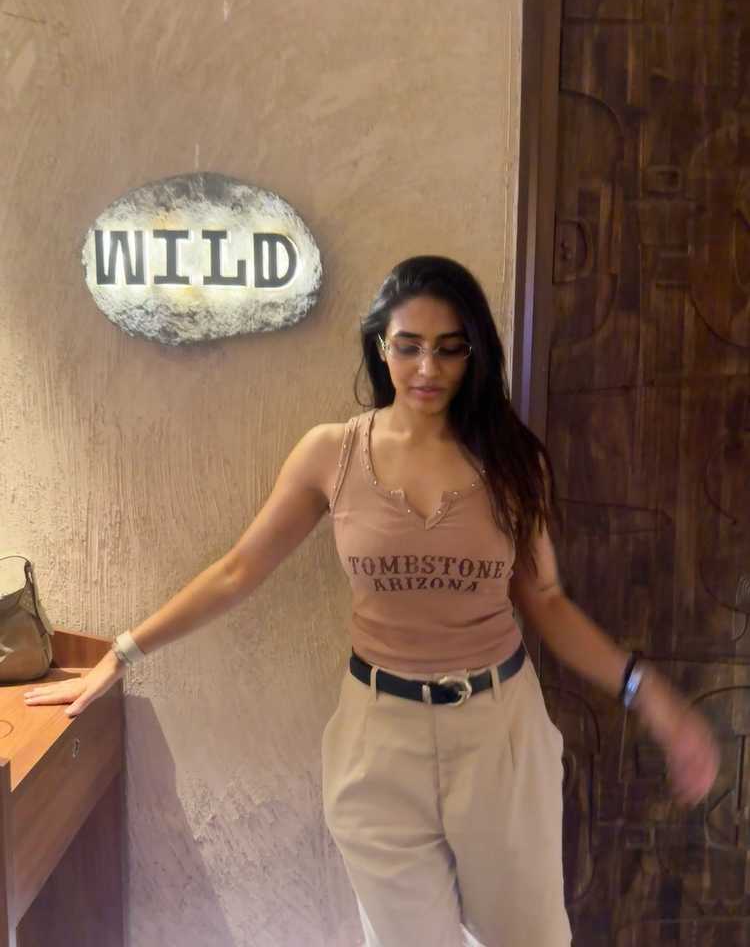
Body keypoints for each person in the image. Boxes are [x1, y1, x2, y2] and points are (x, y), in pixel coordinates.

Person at [24, 256, 719, 947]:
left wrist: (648, 692)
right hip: (379, 740)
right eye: (408, 346)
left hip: (500, 730)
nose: (427, 369)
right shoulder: (332, 453)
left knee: (530, 938)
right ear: (381, 345)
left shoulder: (513, 461)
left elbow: (547, 601)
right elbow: (237, 571)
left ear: (474, 353)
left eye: (449, 348)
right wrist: (121, 653)